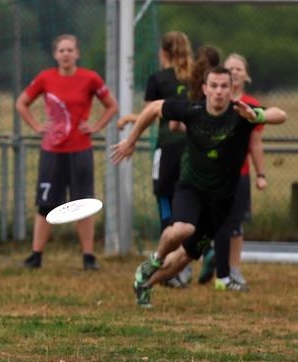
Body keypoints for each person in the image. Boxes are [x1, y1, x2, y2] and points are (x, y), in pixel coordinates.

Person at [111, 66, 286, 307]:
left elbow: (280, 114)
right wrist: (130, 141)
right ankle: (155, 258)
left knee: (185, 257)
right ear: (204, 89)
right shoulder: (192, 110)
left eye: (224, 86)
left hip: (221, 200)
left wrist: (258, 117)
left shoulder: (242, 114)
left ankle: (144, 285)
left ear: (231, 89)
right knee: (183, 229)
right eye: (213, 86)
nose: (219, 91)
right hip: (190, 188)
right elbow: (152, 108)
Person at [16, 34, 118, 270]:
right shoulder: (45, 77)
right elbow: (22, 103)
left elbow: (112, 106)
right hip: (52, 151)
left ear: (77, 53)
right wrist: (36, 126)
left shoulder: (90, 78)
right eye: (61, 50)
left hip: (80, 150)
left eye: (70, 50)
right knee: (46, 203)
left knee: (83, 204)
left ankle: (89, 257)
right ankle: (36, 255)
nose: (66, 54)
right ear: (55, 54)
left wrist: (96, 126)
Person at [117, 31, 193, 287]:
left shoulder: (158, 79)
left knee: (166, 204)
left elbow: (153, 113)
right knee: (189, 204)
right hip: (194, 149)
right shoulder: (196, 77)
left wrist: (131, 122)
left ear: (164, 52)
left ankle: (169, 267)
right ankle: (189, 261)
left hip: (168, 149)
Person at [197, 53, 267, 291]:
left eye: (239, 68)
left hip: (239, 174)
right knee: (205, 219)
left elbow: (256, 143)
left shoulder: (250, 105)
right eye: (230, 68)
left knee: (235, 224)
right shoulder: (212, 103)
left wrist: (261, 174)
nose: (235, 72)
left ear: (245, 75)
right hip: (209, 174)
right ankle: (210, 255)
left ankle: (232, 269)